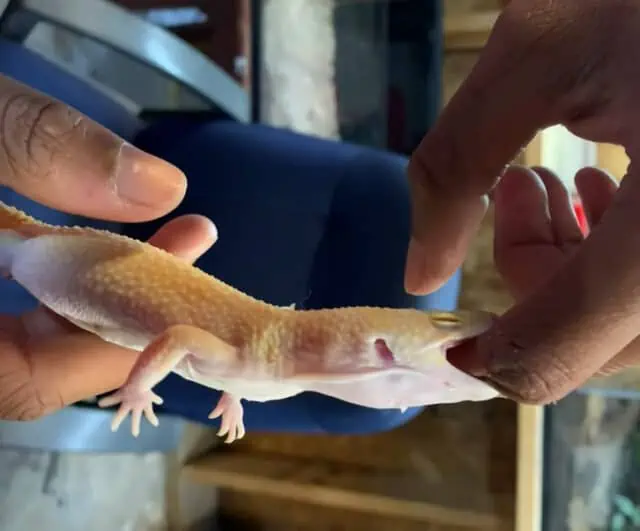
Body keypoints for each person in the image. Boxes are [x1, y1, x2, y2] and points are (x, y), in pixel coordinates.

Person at [0, 0, 637, 421]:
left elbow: (226, 364)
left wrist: (234, 398)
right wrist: (142, 387)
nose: (421, 391)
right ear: (380, 353)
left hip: (71, 274)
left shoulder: (283, 372)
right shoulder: (267, 355)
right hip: (50, 255)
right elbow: (181, 339)